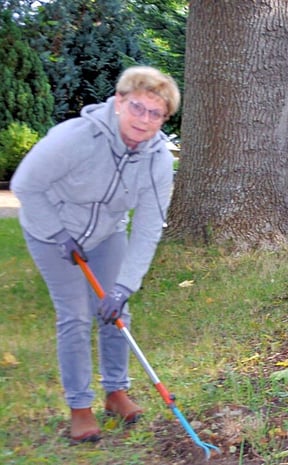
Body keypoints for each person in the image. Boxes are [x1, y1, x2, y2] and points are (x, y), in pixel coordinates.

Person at [11, 66, 179, 443]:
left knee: (116, 311)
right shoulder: (77, 137)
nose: (145, 120)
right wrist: (57, 232)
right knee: (74, 315)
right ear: (119, 102)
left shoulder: (157, 159)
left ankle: (116, 391)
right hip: (51, 231)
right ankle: (79, 406)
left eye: (156, 114)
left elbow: (149, 227)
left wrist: (123, 287)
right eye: (138, 107)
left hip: (106, 234)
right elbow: (26, 185)